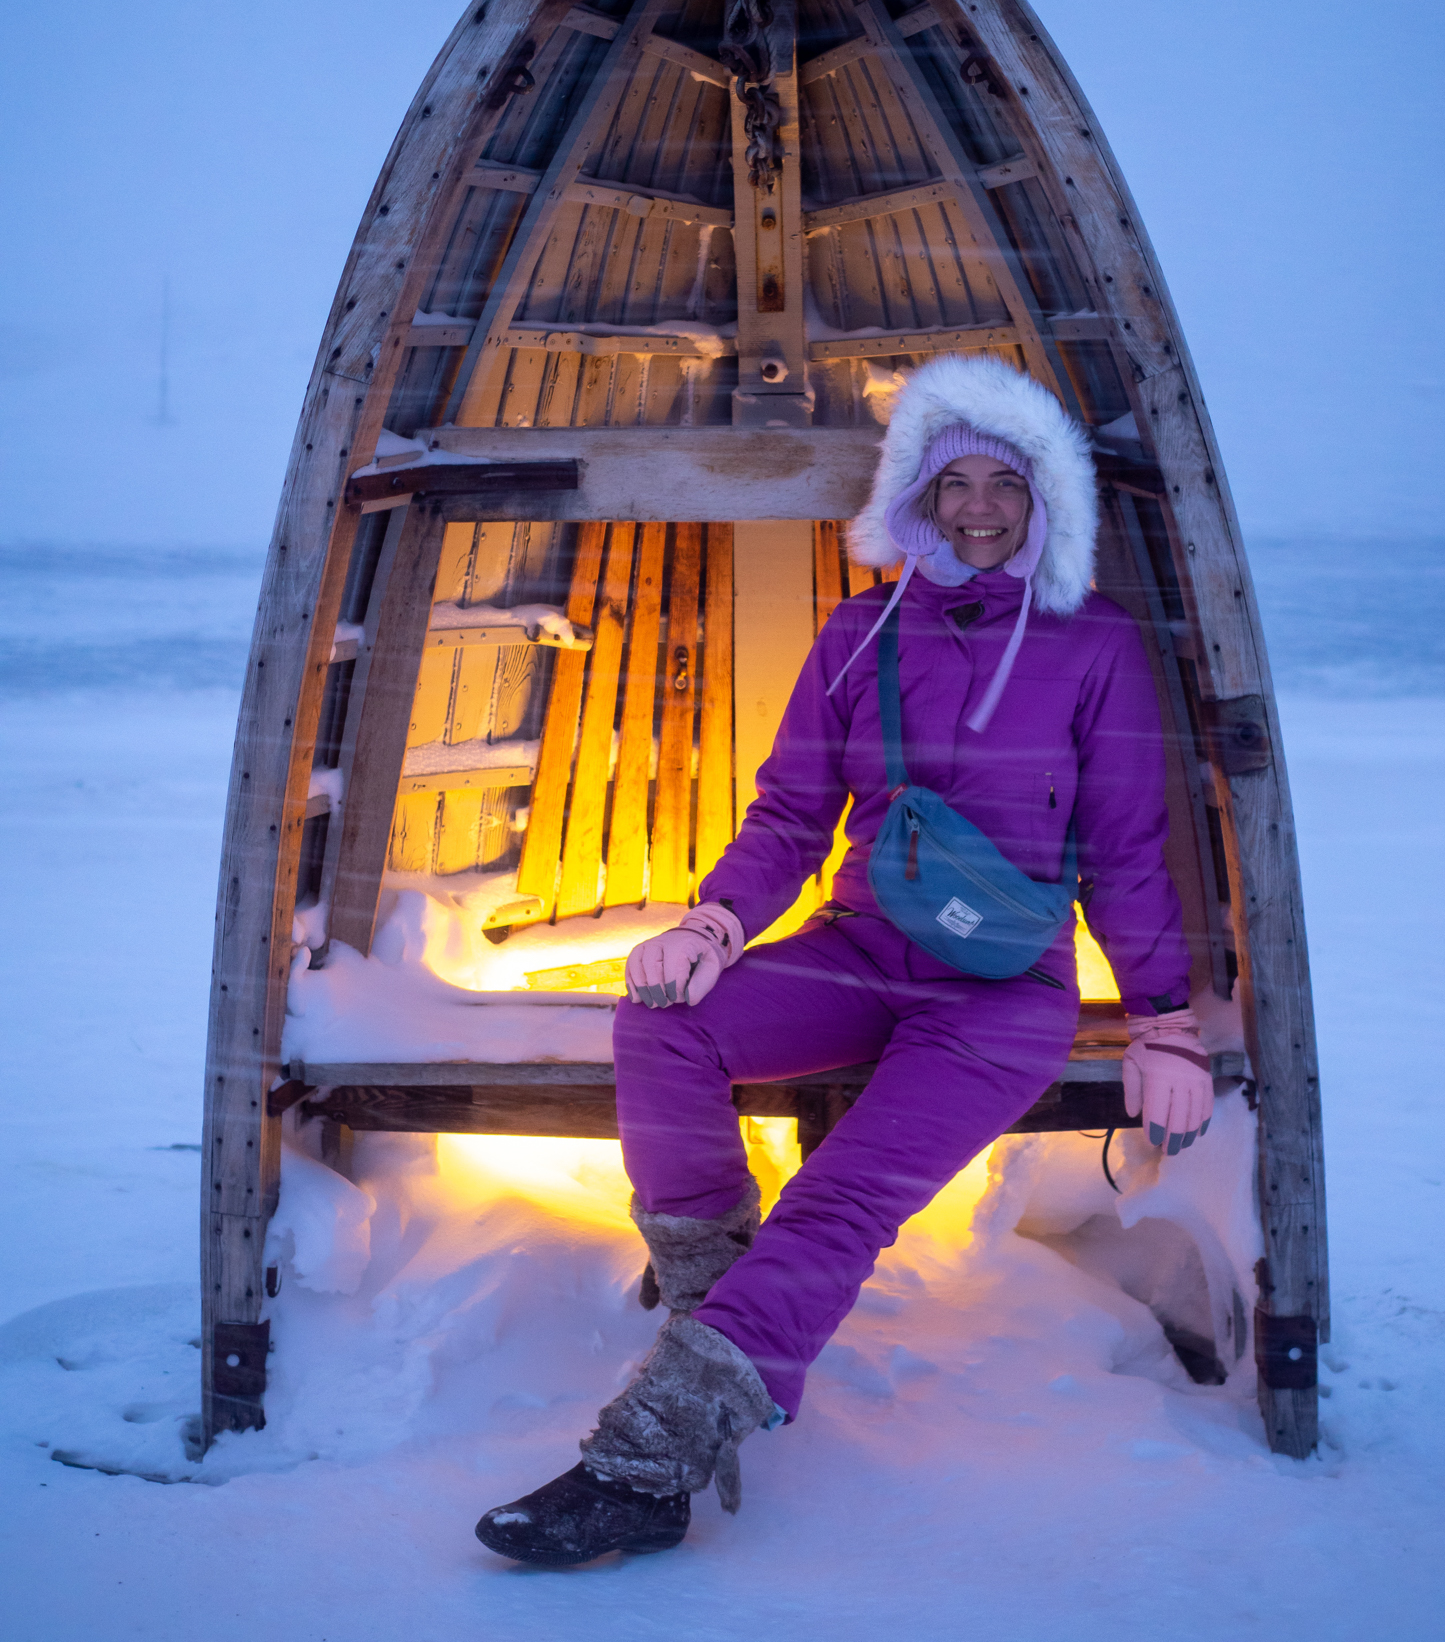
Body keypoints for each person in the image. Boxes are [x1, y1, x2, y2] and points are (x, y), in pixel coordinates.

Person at [476, 354, 1213, 1567]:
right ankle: (718, 1311)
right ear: (913, 496)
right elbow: (787, 815)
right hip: (857, 950)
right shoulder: (859, 629)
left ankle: (644, 1467)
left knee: (842, 1195)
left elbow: (1130, 846)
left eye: (1005, 484)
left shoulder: (1095, 643)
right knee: (663, 1021)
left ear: (1048, 501)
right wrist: (715, 923)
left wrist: (1164, 1018)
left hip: (1000, 996)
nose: (977, 507)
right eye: (952, 482)